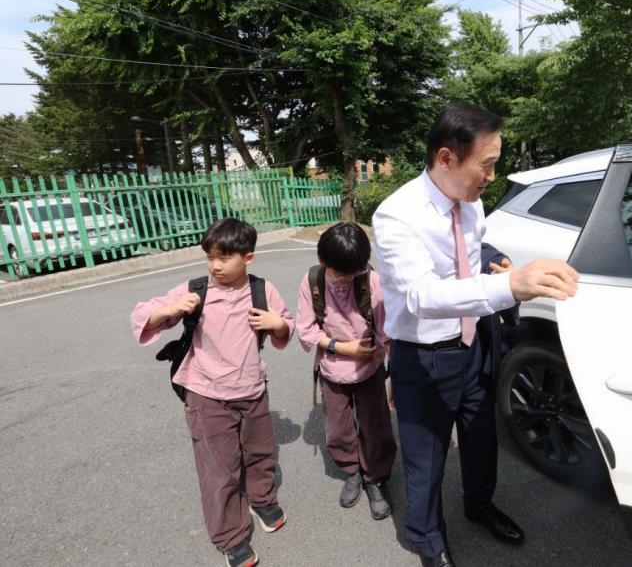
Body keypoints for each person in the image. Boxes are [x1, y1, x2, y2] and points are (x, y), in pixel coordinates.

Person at [372, 104, 580, 567]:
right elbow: (422, 294)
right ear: (446, 158)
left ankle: (479, 504)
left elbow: (470, 248)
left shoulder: (470, 201)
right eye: (486, 164)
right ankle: (427, 539)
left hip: (475, 343)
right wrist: (509, 285)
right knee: (426, 459)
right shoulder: (396, 215)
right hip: (424, 356)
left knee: (480, 437)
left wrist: (495, 259)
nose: (492, 176)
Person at [130, 218, 295, 567]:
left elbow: (285, 325)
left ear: (248, 258)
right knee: (219, 469)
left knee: (261, 452)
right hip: (206, 396)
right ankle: (230, 535)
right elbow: (144, 313)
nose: (215, 265)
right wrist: (169, 310)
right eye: (210, 257)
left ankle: (262, 499)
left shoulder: (263, 290)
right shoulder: (197, 289)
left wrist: (277, 324)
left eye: (224, 257)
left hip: (252, 390)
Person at [295, 221, 396, 520]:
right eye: (339, 273)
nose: (345, 279)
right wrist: (343, 348)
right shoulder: (313, 280)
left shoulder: (371, 281)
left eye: (353, 271)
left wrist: (382, 358)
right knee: (338, 427)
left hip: (370, 369)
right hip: (331, 369)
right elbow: (306, 329)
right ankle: (352, 469)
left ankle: (375, 477)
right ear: (322, 261)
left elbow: (387, 329)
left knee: (375, 425)